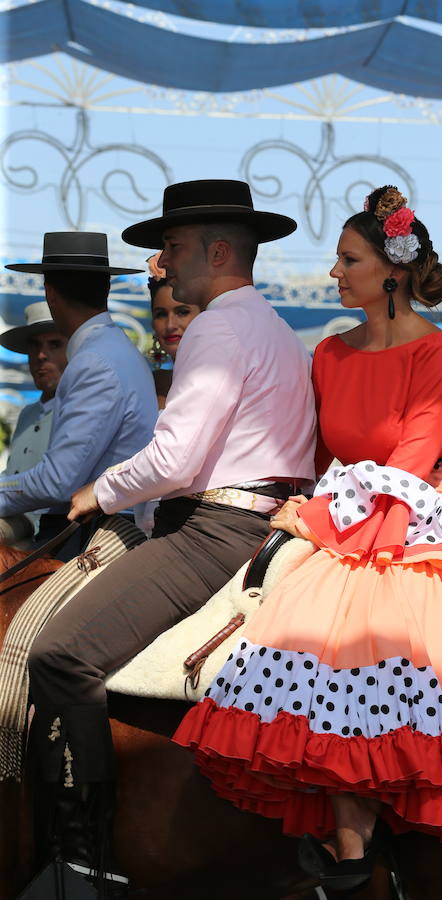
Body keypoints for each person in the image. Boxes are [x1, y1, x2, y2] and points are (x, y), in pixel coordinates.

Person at [173, 185, 442, 888]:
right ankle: (354, 826)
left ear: (391, 270)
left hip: (438, 508)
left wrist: (314, 522)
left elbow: (410, 473)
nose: (333, 275)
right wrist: (295, 511)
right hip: (348, 511)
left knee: (372, 597)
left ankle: (376, 828)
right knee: (314, 595)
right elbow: (315, 461)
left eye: (347, 259)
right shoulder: (330, 356)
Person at [27, 180, 316, 889]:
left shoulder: (217, 326)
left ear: (219, 252)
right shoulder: (275, 327)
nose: (164, 260)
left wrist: (100, 489)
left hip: (215, 527)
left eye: (175, 246)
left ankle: (83, 839)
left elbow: (177, 459)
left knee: (61, 652)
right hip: (255, 519)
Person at [0, 232, 158, 560]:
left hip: (91, 534)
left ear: (50, 293)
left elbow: (56, 482)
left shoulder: (94, 360)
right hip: (94, 525)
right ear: (107, 289)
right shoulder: (112, 351)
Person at [0, 301, 68, 540]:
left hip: (51, 530)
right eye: (35, 345)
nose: (41, 355)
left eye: (55, 345)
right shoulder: (28, 413)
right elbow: (11, 473)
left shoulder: (80, 411)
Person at [146, 252, 201, 408]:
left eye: (182, 312)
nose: (170, 325)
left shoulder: (225, 378)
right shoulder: (149, 383)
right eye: (161, 314)